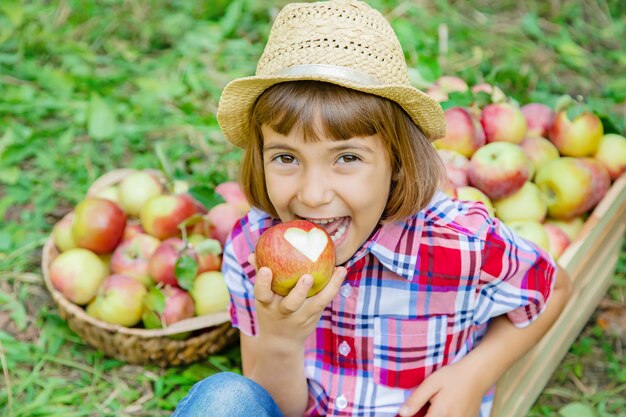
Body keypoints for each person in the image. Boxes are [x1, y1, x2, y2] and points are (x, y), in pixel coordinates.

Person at [172, 1, 572, 416]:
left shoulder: (460, 241)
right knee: (226, 398)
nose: (312, 195)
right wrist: (280, 338)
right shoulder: (254, 251)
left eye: (346, 158)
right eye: (286, 158)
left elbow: (552, 287)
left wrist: (474, 375)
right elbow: (278, 409)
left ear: (398, 164)